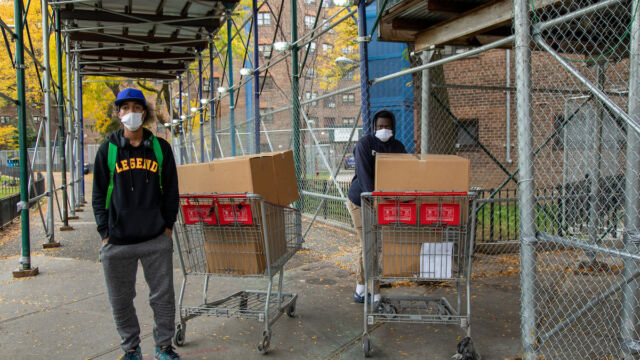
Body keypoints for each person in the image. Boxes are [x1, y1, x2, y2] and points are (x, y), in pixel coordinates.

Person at [92, 88, 181, 360]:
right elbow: (98, 194)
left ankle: (164, 347)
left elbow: (172, 192)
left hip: (155, 238)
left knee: (162, 297)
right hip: (118, 240)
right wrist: (105, 232)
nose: (131, 112)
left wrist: (167, 228)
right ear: (118, 114)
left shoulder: (159, 148)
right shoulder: (107, 151)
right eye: (125, 107)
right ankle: (131, 349)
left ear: (145, 112)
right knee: (120, 300)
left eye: (137, 107)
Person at [347, 110, 407, 305]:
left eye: (387, 126)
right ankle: (375, 290)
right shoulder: (365, 144)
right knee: (371, 246)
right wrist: (374, 200)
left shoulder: (397, 147)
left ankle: (360, 289)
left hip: (382, 203)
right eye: (380, 126)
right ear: (374, 127)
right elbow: (364, 176)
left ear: (393, 128)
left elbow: (404, 172)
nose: (384, 129)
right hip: (361, 200)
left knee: (369, 245)